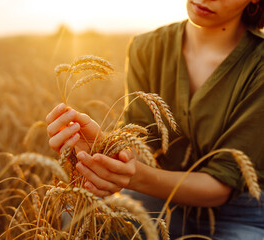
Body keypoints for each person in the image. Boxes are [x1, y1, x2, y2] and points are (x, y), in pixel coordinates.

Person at [46, 0, 264, 239]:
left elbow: (221, 186)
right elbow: (143, 143)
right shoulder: (147, 47)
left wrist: (135, 176)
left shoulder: (259, 64)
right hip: (159, 200)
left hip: (241, 213)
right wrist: (105, 150)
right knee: (82, 219)